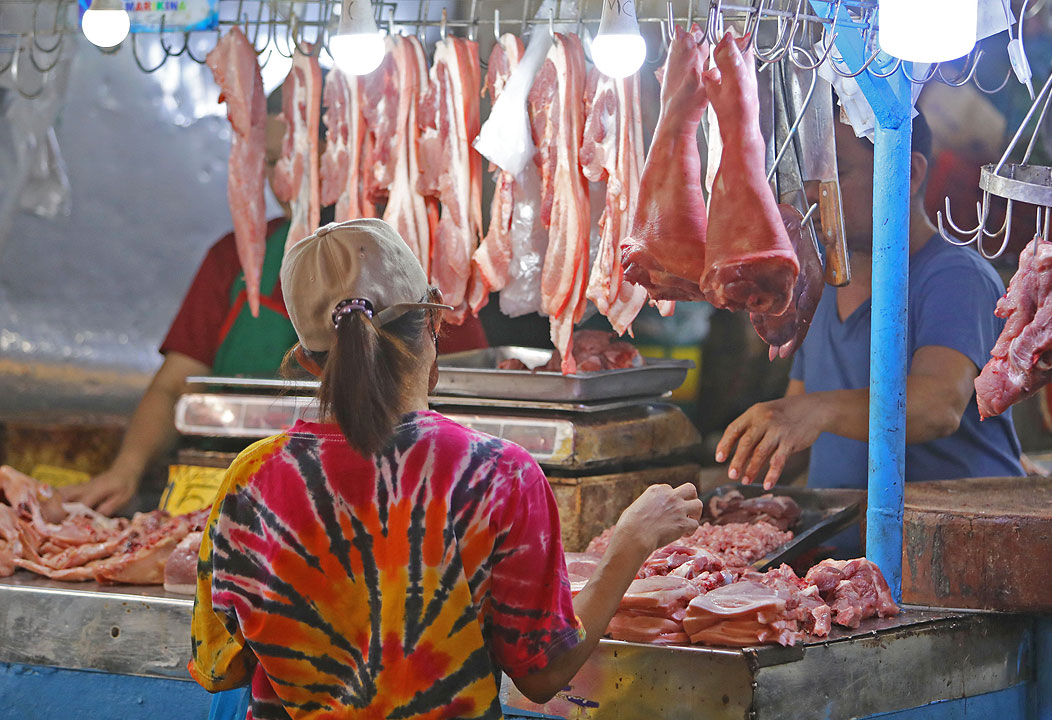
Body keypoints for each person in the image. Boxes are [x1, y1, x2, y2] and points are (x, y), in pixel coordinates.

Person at [188, 219, 703, 718]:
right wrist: (630, 543)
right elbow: (544, 673)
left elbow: (219, 669)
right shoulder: (499, 474)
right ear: (433, 323)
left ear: (306, 362)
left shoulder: (249, 480)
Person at [62, 94, 486, 516]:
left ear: (347, 151)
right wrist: (126, 469)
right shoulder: (237, 258)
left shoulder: (407, 262)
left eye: (297, 159)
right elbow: (175, 387)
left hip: (385, 495)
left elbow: (469, 394)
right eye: (269, 162)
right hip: (226, 492)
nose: (282, 178)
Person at [715, 112, 1024, 498]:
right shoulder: (817, 285)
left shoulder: (956, 277)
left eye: (835, 172)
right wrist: (726, 484)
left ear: (908, 173)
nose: (811, 193)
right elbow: (796, 430)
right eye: (808, 176)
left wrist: (815, 410)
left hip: (955, 529)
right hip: (843, 533)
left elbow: (938, 406)